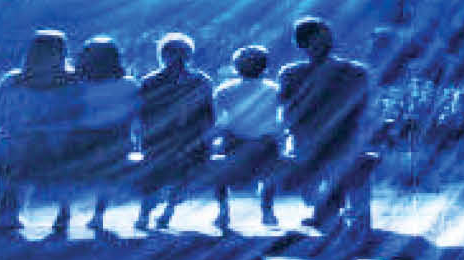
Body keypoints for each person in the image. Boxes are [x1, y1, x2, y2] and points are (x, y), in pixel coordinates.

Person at [278, 17, 372, 231]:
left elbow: (362, 108)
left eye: (327, 38)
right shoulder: (291, 73)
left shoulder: (354, 71)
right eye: (318, 39)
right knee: (311, 180)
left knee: (343, 164)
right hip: (308, 139)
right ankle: (326, 210)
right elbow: (287, 109)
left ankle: (339, 214)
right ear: (302, 43)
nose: (326, 43)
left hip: (343, 137)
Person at [0, 30, 75, 230]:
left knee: (16, 149)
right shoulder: (71, 80)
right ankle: (60, 211)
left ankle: (5, 211)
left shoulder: (13, 80)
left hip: (35, 140)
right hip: (45, 141)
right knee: (21, 147)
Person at [136, 34, 214, 229]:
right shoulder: (200, 80)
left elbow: (144, 116)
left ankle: (148, 213)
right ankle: (163, 211)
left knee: (156, 171)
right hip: (184, 140)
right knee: (181, 170)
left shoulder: (150, 81)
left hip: (167, 141)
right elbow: (208, 116)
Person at [64, 37, 138, 233]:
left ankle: (65, 211)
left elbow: (71, 112)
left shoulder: (77, 83)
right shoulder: (128, 84)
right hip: (114, 136)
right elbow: (131, 114)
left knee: (72, 173)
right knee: (107, 175)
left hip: (85, 135)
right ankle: (98, 215)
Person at [212, 46, 283, 230]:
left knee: (219, 173)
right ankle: (267, 210)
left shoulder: (224, 90)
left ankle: (223, 211)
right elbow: (280, 120)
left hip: (236, 143)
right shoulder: (275, 90)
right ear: (265, 67)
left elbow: (219, 122)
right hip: (265, 143)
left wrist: (220, 140)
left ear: (236, 67)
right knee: (268, 175)